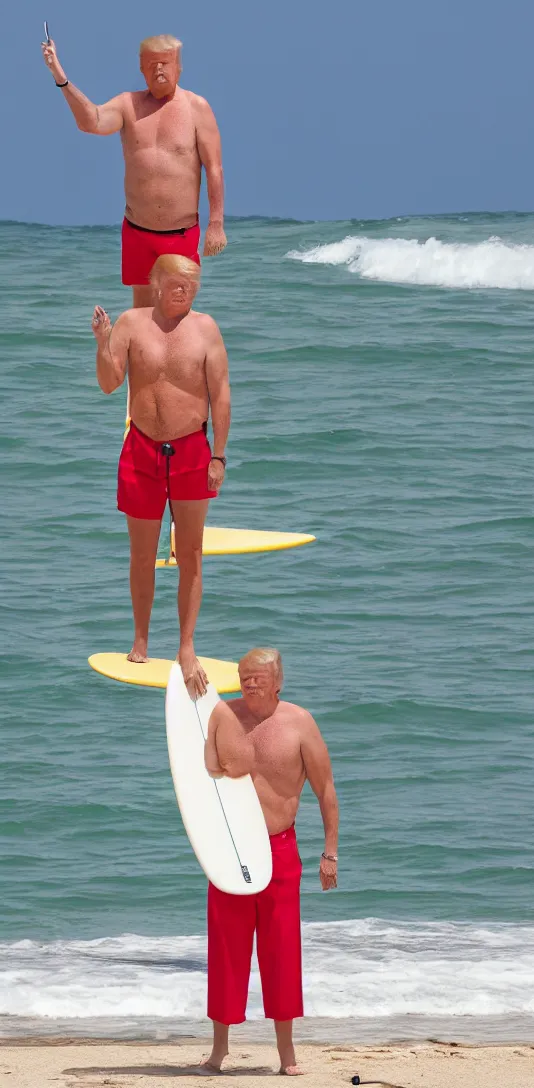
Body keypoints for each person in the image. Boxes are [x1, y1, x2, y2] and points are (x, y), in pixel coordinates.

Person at [91, 253, 230, 697]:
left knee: (190, 551)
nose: (184, 292)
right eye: (176, 285)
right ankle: (141, 638)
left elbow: (222, 396)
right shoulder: (131, 324)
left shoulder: (206, 329)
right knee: (141, 552)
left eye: (191, 286)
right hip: (141, 450)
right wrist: (102, 341)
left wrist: (219, 457)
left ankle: (186, 646)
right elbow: (110, 384)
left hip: (191, 449)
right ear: (155, 283)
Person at [203, 648, 339, 1076]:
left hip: (280, 849)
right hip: (231, 850)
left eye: (259, 677)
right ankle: (218, 1052)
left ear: (278, 680)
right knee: (226, 951)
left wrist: (329, 852)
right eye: (244, 676)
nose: (251, 683)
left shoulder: (299, 723)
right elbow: (203, 778)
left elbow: (325, 790)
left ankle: (287, 1057)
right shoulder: (224, 715)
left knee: (282, 953)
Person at [42, 33, 226, 306]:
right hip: (137, 230)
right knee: (141, 315)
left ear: (179, 66)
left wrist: (216, 225)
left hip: (180, 233)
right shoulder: (128, 105)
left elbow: (214, 168)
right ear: (141, 68)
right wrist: (60, 76)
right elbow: (91, 122)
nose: (159, 69)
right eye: (152, 64)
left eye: (165, 63)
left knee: (177, 314)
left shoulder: (197, 108)